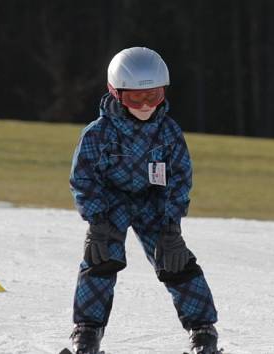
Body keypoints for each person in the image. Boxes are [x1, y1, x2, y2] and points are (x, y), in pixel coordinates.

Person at [68, 47, 219, 354]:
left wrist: (171, 225)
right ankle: (87, 332)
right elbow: (84, 178)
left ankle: (203, 332)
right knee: (100, 259)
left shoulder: (168, 133)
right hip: (111, 205)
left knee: (175, 262)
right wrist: (97, 220)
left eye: (154, 96)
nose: (146, 106)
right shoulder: (98, 134)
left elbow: (179, 178)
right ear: (116, 93)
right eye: (136, 98)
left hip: (155, 204)